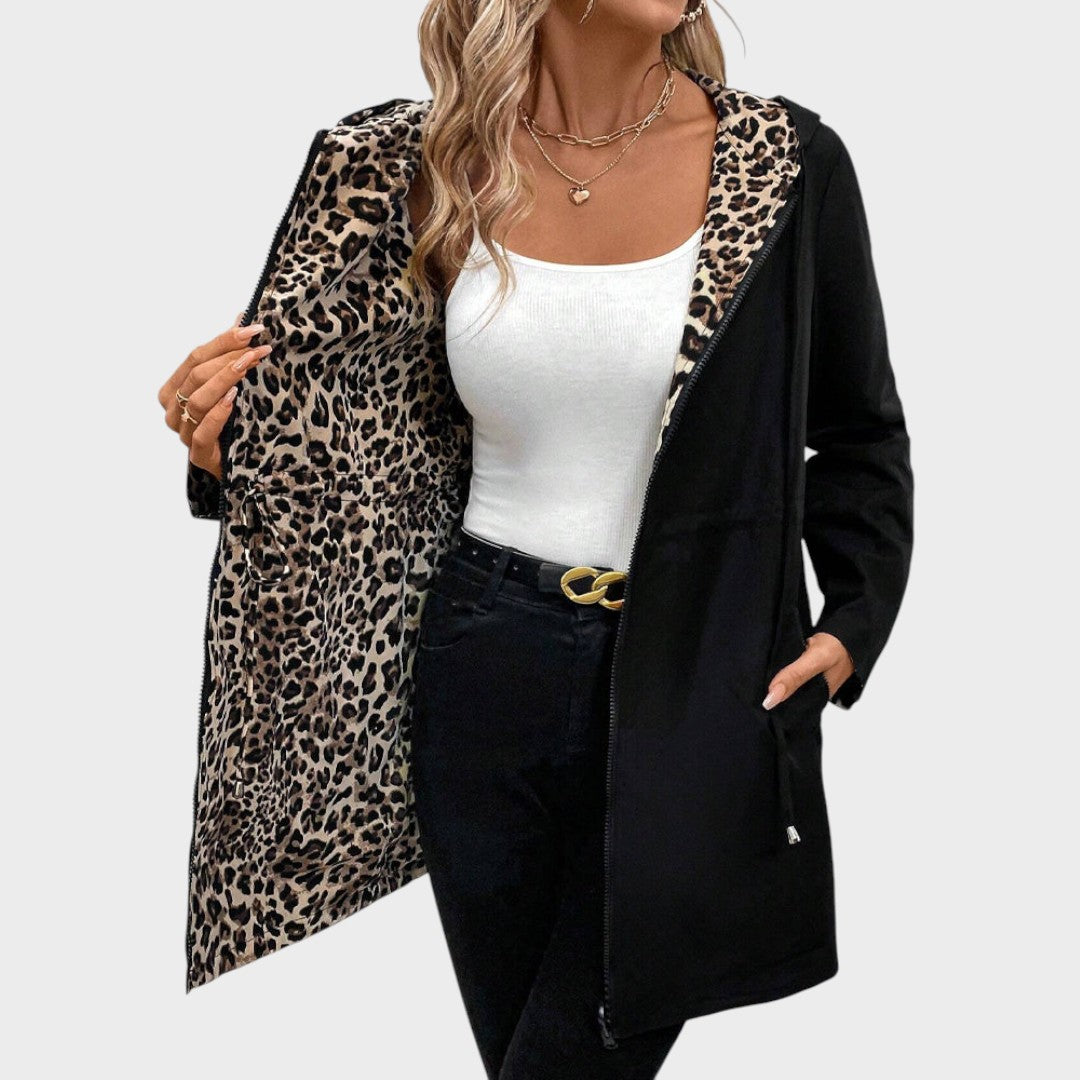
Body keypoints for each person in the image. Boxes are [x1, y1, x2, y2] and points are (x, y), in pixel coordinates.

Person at [159, 3, 913, 1077]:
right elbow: (340, 433)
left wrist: (854, 622)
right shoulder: (417, 167)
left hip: (698, 672)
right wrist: (224, 444)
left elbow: (860, 432)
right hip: (480, 664)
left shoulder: (785, 162)